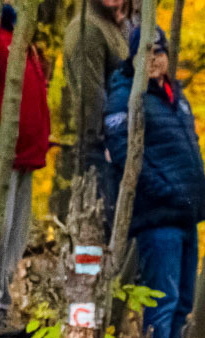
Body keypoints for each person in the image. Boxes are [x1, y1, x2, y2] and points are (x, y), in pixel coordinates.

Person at [105, 25, 205, 338]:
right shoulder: (126, 94)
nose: (153, 59)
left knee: (184, 299)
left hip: (186, 213)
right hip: (157, 214)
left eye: (159, 52)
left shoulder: (175, 96)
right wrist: (165, 191)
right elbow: (123, 153)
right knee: (163, 299)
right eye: (145, 53)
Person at [0, 4, 51, 328]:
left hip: (27, 157)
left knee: (17, 237)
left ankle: (1, 304)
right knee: (0, 231)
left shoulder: (21, 40)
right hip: (4, 156)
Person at [62, 0, 129, 203]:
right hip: (103, 151)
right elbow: (90, 97)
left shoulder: (111, 26)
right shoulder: (87, 28)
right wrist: (99, 147)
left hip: (120, 146)